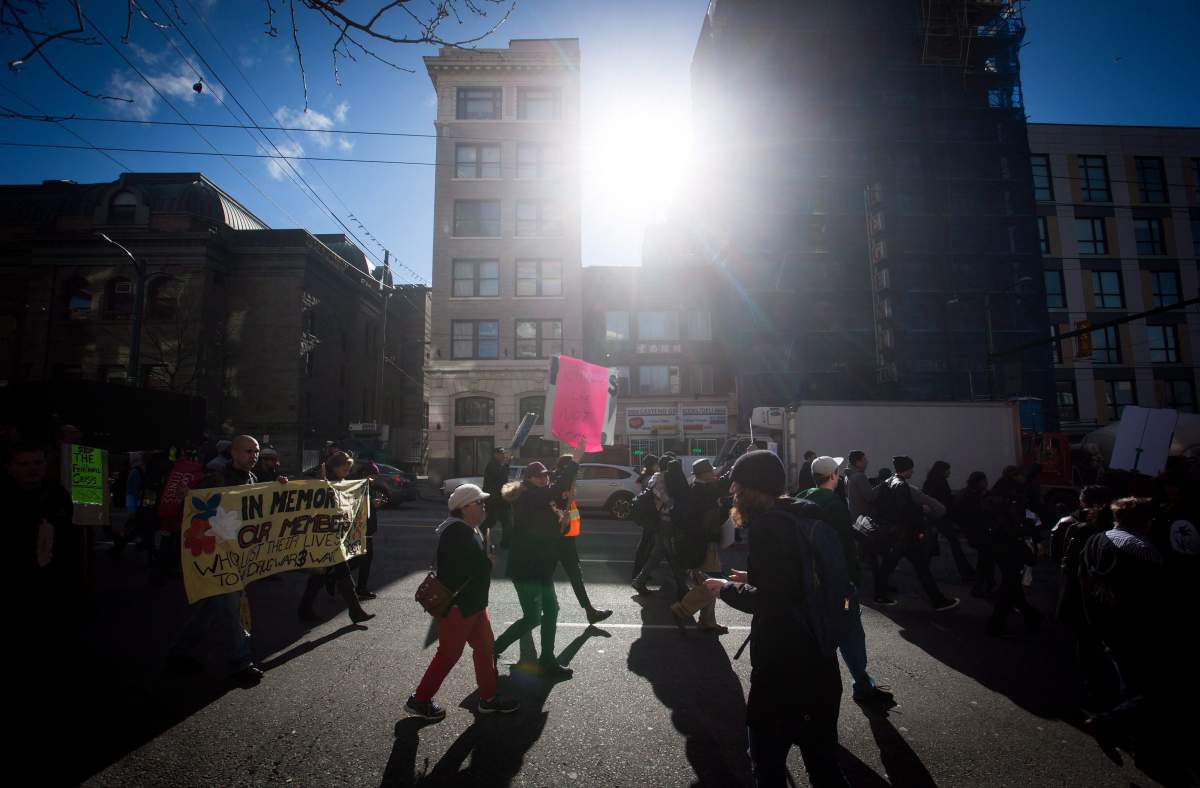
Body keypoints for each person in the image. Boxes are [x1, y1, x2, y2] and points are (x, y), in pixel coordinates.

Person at [703, 451, 850, 788]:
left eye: (738, 490)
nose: (734, 496)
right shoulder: (803, 513)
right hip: (820, 659)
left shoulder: (768, 527)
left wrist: (725, 587)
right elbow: (797, 578)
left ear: (754, 489)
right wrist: (751, 575)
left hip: (782, 669)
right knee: (824, 765)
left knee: (767, 765)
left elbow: (771, 599)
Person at [165, 435, 276, 686]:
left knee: (209, 607)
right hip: (217, 555)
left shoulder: (253, 479)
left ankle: (179, 652)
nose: (254, 456)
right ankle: (241, 662)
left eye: (256, 451)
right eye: (248, 451)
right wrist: (188, 497)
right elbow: (193, 508)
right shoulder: (215, 478)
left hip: (238, 554)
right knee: (230, 608)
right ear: (234, 453)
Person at [405, 484, 519, 720]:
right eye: (479, 503)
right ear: (464, 507)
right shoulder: (456, 532)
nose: (483, 506)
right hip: (459, 606)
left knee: (485, 649)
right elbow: (459, 570)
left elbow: (473, 562)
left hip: (474, 604)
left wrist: (485, 556)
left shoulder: (469, 528)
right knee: (448, 654)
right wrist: (486, 560)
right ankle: (420, 700)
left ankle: (488, 699)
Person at [799, 456, 891, 705]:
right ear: (834, 475)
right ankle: (861, 683)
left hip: (811, 579)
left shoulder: (802, 497)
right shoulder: (834, 504)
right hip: (838, 582)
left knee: (817, 631)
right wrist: (854, 578)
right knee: (850, 631)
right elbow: (845, 547)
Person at [492, 458, 580, 677]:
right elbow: (556, 490)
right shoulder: (526, 496)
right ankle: (493, 650)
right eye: (539, 475)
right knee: (534, 617)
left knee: (548, 611)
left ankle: (547, 660)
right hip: (526, 568)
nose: (544, 478)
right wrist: (575, 462)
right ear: (529, 479)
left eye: (546, 475)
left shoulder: (543, 499)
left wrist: (563, 519)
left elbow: (550, 531)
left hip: (539, 567)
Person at [1052, 484, 1117, 710]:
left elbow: (1058, 555)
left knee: (1085, 639)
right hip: (1109, 594)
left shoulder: (1072, 525)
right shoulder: (1117, 525)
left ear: (1082, 502)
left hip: (1080, 590)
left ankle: (1092, 687)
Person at [297, 450, 376, 624]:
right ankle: (307, 609)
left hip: (334, 535)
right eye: (345, 468)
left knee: (335, 574)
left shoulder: (341, 482)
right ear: (336, 466)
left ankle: (353, 611)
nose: (347, 471)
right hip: (323, 536)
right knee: (325, 575)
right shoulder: (323, 480)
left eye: (349, 468)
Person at [872, 456, 959, 611]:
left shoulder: (888, 482)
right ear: (907, 469)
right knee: (921, 568)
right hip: (905, 534)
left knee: (889, 567)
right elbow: (904, 509)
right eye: (911, 468)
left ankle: (880, 595)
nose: (913, 471)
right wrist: (922, 510)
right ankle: (938, 600)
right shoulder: (901, 485)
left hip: (895, 533)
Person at [668, 459, 730, 633]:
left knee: (706, 581)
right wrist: (746, 457)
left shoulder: (696, 489)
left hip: (698, 543)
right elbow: (726, 481)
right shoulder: (704, 491)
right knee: (712, 581)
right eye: (711, 471)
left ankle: (707, 621)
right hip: (704, 544)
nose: (714, 474)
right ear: (705, 474)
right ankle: (682, 609)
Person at [983, 466, 1043, 637]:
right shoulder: (1011, 497)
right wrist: (1029, 530)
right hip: (1008, 544)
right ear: (1016, 477)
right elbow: (1013, 525)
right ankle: (997, 623)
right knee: (1010, 582)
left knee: (1012, 582)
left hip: (997, 543)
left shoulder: (996, 493)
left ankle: (1029, 614)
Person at [552, 455, 612, 625]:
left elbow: (570, 508)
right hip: (559, 538)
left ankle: (590, 611)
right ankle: (535, 606)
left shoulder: (568, 484)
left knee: (574, 574)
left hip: (567, 537)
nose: (578, 472)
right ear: (567, 469)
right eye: (576, 469)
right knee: (564, 573)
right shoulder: (559, 483)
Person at [631, 453, 689, 599]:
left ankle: (639, 581)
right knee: (672, 555)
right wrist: (675, 505)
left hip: (662, 521)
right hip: (665, 521)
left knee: (659, 553)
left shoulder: (657, 477)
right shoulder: (661, 478)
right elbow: (665, 499)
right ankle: (682, 586)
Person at [922, 461, 976, 583]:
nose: (949, 472)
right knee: (953, 543)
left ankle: (923, 570)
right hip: (940, 517)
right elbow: (945, 501)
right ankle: (966, 572)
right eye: (947, 470)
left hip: (935, 517)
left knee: (932, 545)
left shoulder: (931, 482)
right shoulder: (940, 483)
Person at [953, 471, 995, 597]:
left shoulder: (967, 494)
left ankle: (986, 583)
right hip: (977, 531)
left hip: (974, 531)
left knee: (985, 557)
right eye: (984, 481)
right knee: (985, 557)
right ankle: (983, 584)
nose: (986, 483)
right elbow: (979, 514)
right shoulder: (972, 496)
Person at [350, 457, 380, 599]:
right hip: (361, 528)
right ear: (365, 474)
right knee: (363, 559)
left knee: (362, 559)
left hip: (368, 528)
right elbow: (354, 506)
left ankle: (359, 587)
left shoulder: (369, 486)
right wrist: (371, 504)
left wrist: (375, 505)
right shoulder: (357, 486)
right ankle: (360, 588)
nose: (374, 479)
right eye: (372, 476)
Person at [630, 454, 661, 578]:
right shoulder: (649, 479)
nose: (658, 466)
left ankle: (641, 572)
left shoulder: (645, 477)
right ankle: (639, 573)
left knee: (648, 543)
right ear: (652, 465)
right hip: (650, 514)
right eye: (656, 464)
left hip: (648, 514)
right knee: (646, 544)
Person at [481, 446, 512, 549]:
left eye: (504, 453)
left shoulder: (497, 465)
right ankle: (479, 535)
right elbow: (501, 477)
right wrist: (507, 464)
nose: (503, 456)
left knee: (500, 521)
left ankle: (505, 543)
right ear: (495, 455)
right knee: (500, 521)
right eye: (501, 454)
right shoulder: (492, 465)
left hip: (498, 499)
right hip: (495, 499)